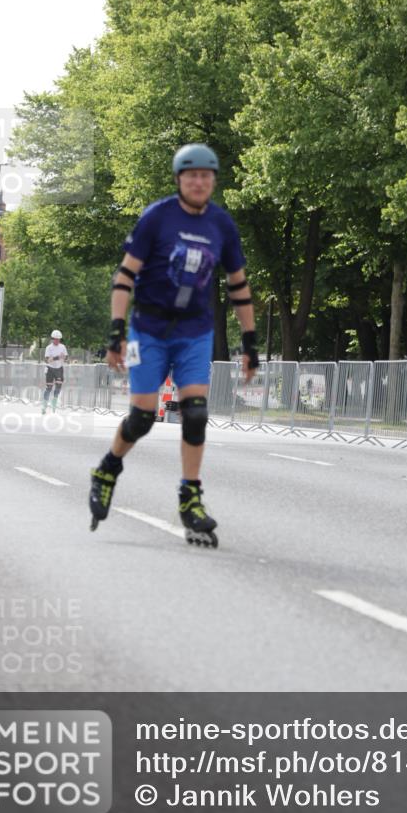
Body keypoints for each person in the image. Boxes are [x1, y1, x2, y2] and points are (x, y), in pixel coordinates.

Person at [89, 142, 259, 546]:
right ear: (179, 180)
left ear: (213, 181)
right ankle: (108, 468)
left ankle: (190, 498)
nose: (199, 182)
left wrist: (250, 342)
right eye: (192, 175)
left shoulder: (222, 225)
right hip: (148, 330)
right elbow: (124, 276)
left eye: (206, 176)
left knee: (195, 414)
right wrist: (116, 331)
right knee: (142, 418)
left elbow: (238, 286)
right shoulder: (157, 217)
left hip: (194, 332)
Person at [42, 329, 68, 413]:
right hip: (50, 368)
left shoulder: (62, 347)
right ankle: (44, 405)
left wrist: (64, 357)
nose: (57, 341)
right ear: (52, 339)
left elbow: (66, 357)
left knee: (58, 387)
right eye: (56, 339)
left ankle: (54, 403)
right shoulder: (49, 348)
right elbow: (47, 360)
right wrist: (57, 357)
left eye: (58, 339)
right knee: (49, 388)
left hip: (59, 368)